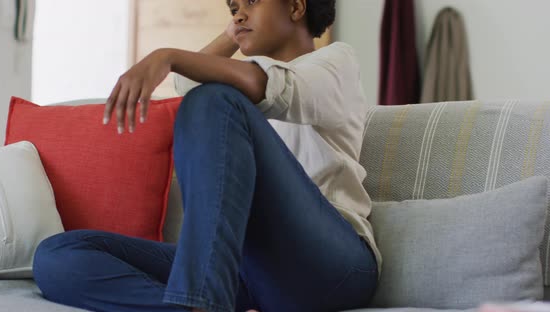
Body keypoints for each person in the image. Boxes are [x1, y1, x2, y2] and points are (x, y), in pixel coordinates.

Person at [32, 0, 382, 311]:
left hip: (331, 266)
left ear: (296, 7)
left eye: (251, 2)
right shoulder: (235, 95)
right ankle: (197, 305)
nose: (239, 13)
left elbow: (268, 86)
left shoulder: (335, 62)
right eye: (232, 8)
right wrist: (235, 32)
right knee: (57, 257)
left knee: (214, 101)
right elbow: (192, 88)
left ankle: (203, 302)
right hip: (248, 274)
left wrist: (166, 56)